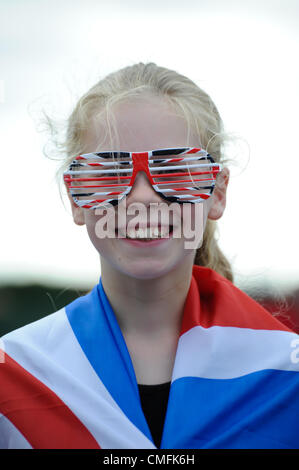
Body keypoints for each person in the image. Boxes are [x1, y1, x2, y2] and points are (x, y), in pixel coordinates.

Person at [0, 63, 298, 449]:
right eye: (107, 172)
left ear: (218, 192)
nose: (141, 197)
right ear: (75, 196)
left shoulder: (286, 373)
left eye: (175, 170)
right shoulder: (14, 373)